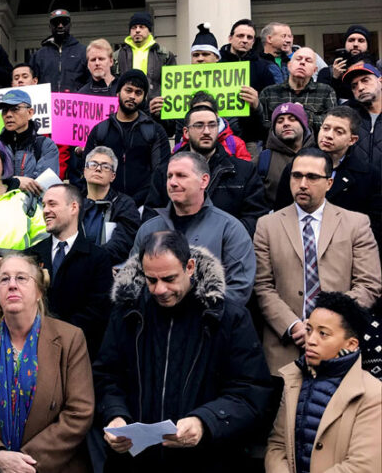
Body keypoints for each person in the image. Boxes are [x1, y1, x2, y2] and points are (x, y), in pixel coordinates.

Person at [94, 230, 272, 472]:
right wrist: (115, 416)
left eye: (169, 279)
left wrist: (205, 422)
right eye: (151, 280)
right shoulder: (127, 313)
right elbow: (106, 376)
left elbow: (249, 392)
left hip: (204, 460)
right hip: (134, 462)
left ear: (190, 267)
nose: (159, 290)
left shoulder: (228, 318)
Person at [254, 147, 382, 373]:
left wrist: (325, 325)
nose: (303, 184)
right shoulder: (267, 226)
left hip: (340, 345)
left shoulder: (356, 224)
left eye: (312, 177)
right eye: (297, 176)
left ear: (329, 183)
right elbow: (262, 286)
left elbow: (369, 284)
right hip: (285, 347)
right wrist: (293, 326)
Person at [0, 253, 94, 473]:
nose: (12, 285)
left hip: (54, 467)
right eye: (4, 279)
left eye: (21, 278)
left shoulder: (70, 339)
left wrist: (24, 462)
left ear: (39, 292)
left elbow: (79, 412)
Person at [265, 291, 381, 473]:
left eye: (323, 334)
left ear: (351, 344)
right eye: (309, 330)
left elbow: (363, 466)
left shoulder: (373, 394)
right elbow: (277, 446)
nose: (310, 341)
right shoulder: (294, 379)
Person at [132, 152, 256, 306]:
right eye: (169, 176)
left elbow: (239, 289)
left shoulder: (230, 229)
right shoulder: (149, 230)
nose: (173, 182)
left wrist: (193, 318)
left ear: (204, 181)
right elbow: (133, 282)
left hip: (209, 325)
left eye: (181, 176)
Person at [144, 105, 268, 236]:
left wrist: (225, 237)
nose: (207, 131)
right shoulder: (165, 172)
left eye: (212, 125)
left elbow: (256, 216)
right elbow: (152, 216)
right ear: (186, 132)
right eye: (199, 125)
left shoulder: (244, 171)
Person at [26, 183, 113, 357]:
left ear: (73, 207)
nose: (45, 211)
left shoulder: (98, 258)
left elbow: (98, 311)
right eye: (43, 205)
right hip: (34, 351)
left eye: (52, 204)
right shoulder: (31, 255)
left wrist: (58, 334)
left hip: (79, 352)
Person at [273, 106, 382, 239]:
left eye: (339, 132)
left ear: (352, 140)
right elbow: (282, 214)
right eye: (326, 128)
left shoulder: (369, 176)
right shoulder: (295, 168)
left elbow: (374, 227)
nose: (329, 135)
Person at [83, 69, 169, 206]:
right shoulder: (100, 130)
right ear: (118, 92)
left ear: (144, 98)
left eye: (138, 92)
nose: (132, 96)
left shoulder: (155, 131)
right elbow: (88, 170)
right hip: (105, 205)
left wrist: (138, 203)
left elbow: (160, 174)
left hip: (144, 207)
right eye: (128, 90)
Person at [218, 19, 278, 148]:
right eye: (240, 36)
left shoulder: (263, 68)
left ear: (253, 42)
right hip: (218, 136)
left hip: (250, 138)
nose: (244, 40)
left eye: (249, 37)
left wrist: (257, 104)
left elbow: (271, 108)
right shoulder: (216, 64)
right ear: (230, 38)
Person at [81, 146, 141, 265]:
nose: (98, 169)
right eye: (93, 164)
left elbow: (122, 244)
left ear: (113, 176)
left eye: (105, 167)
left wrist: (90, 262)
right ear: (85, 171)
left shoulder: (124, 204)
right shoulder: (73, 202)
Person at [259, 47, 337, 136]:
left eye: (308, 60)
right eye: (298, 59)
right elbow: (261, 126)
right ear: (289, 65)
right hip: (278, 147)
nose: (302, 62)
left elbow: (332, 124)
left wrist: (304, 114)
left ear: (314, 70)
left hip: (313, 147)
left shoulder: (326, 91)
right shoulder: (269, 92)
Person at [0, 88, 59, 196]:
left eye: (15, 109)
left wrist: (5, 183)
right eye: (5, 110)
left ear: (30, 113)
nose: (8, 114)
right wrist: (15, 182)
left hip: (32, 209)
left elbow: (42, 187)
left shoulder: (45, 145)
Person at [257, 102, 315, 207]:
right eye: (280, 121)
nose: (286, 124)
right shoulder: (263, 160)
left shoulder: (321, 156)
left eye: (292, 119)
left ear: (304, 124)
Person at [114, 11, 176, 101]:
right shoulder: (117, 55)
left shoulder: (164, 55)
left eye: (142, 27)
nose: (137, 30)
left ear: (149, 31)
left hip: (154, 107)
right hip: (127, 106)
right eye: (134, 27)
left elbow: (173, 86)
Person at [29, 9, 88, 93]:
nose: (60, 26)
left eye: (64, 22)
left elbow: (91, 82)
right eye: (56, 22)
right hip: (47, 103)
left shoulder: (83, 52)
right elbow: (31, 83)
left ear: (70, 25)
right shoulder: (38, 55)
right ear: (50, 26)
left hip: (75, 103)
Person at [317, 25, 375, 101]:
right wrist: (335, 79)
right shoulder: (326, 73)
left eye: (361, 41)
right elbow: (322, 102)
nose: (355, 44)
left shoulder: (375, 70)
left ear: (368, 46)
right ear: (344, 44)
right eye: (351, 40)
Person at [343, 62, 382, 168]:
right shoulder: (345, 115)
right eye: (354, 86)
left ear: (380, 80)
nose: (360, 88)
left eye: (365, 80)